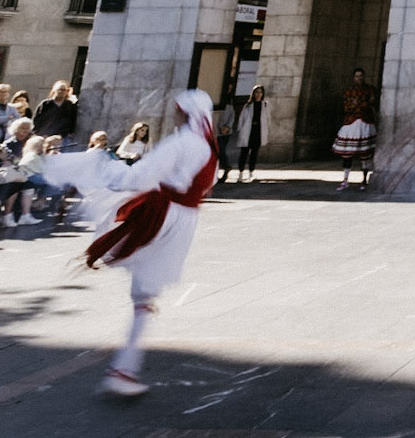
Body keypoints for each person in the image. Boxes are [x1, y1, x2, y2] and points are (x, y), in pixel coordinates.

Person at [46, 91, 220, 397]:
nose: (174, 114)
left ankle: (124, 368)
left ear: (185, 112)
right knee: (145, 290)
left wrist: (109, 175)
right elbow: (207, 184)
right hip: (183, 221)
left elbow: (140, 176)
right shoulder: (209, 146)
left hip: (162, 213)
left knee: (98, 171)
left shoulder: (181, 142)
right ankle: (125, 367)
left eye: (177, 110)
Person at [228, 86, 266, 182]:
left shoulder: (265, 105)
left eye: (260, 92)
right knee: (244, 153)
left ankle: (251, 172)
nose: (258, 94)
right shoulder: (248, 105)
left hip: (258, 131)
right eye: (256, 92)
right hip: (248, 131)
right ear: (253, 94)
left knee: (254, 153)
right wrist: (240, 130)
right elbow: (241, 119)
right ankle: (240, 173)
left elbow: (267, 119)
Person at [334, 114, 376, 190]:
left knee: (364, 155)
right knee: (347, 154)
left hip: (364, 123)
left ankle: (364, 180)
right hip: (351, 124)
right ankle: (345, 179)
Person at [33, 83, 80, 151]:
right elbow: (36, 120)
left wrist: (61, 135)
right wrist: (41, 134)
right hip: (45, 136)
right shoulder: (45, 104)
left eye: (64, 90)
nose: (62, 92)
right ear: (54, 90)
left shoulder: (70, 106)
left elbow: (72, 123)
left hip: (62, 138)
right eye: (59, 89)